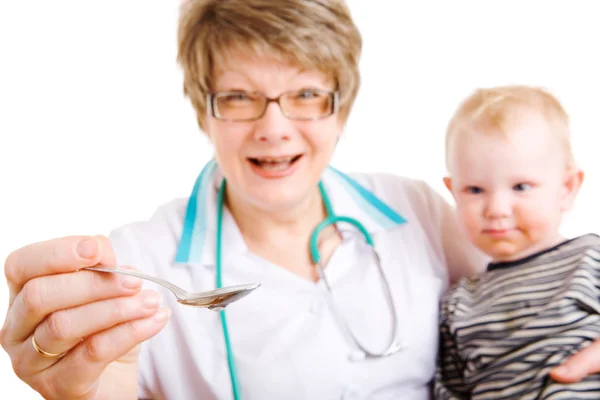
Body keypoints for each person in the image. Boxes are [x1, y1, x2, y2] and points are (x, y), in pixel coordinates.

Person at [1, 2, 599, 399]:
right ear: (201, 109)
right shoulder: (140, 267)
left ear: (342, 107)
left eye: (306, 94)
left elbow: (535, 291)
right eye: (238, 97)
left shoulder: (420, 210)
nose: (274, 127)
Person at [434, 85, 600, 399]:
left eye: (521, 186)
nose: (496, 209)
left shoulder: (591, 259)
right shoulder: (458, 304)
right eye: (474, 190)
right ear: (452, 191)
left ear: (566, 188)